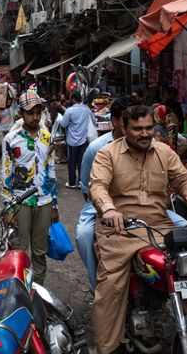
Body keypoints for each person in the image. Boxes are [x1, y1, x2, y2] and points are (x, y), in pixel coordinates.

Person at [89, 105, 187, 354]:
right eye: (137, 128)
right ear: (123, 128)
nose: (144, 133)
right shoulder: (108, 154)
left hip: (158, 226)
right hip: (120, 230)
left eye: (149, 128)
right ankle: (107, 347)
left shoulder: (164, 152)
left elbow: (183, 179)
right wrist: (108, 210)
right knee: (111, 287)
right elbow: (98, 185)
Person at [76, 96, 135, 290]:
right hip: (98, 205)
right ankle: (98, 287)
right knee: (84, 237)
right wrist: (101, 207)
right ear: (115, 121)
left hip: (138, 202)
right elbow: (86, 186)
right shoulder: (96, 148)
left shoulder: (144, 144)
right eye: (127, 119)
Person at [1, 91, 58, 285]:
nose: (35, 117)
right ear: (21, 114)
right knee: (18, 250)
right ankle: (19, 291)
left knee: (40, 252)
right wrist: (8, 209)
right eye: (30, 113)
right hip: (20, 202)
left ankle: (38, 293)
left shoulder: (47, 138)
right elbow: (6, 174)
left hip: (44, 201)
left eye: (38, 112)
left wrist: (54, 205)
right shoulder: (10, 139)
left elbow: (51, 170)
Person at [60, 91, 96, 189]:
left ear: (74, 99)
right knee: (81, 162)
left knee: (71, 162)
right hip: (83, 140)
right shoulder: (86, 109)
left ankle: (72, 182)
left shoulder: (69, 110)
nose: (70, 100)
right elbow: (94, 121)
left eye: (71, 98)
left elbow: (63, 124)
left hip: (72, 141)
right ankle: (81, 182)